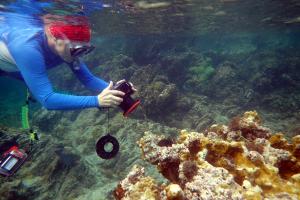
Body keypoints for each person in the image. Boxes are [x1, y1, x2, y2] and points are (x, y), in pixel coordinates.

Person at [0, 4, 136, 110]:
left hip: (14, 69)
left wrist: (117, 90)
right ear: (55, 39)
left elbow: (88, 79)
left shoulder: (66, 48)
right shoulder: (27, 49)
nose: (79, 56)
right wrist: (97, 101)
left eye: (84, 50)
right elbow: (48, 99)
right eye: (76, 50)